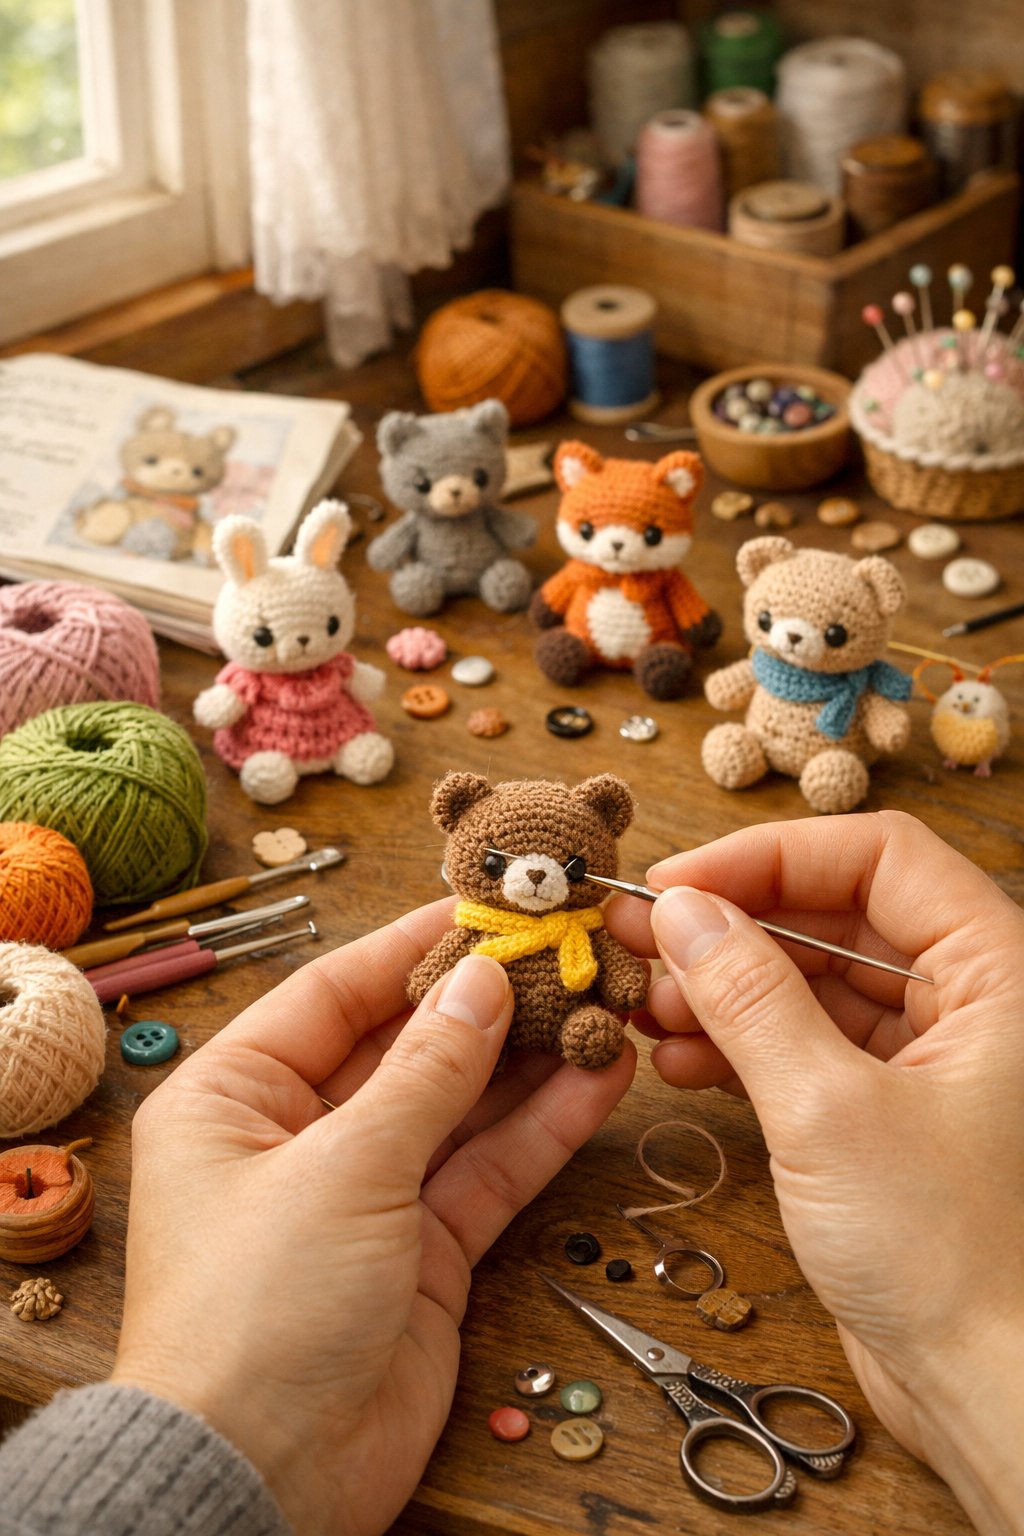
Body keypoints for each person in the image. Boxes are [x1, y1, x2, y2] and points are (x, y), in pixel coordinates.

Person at [1, 812, 1021, 1536]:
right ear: (461, 839)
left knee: (599, 1032)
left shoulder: (585, 931)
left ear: (600, 841)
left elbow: (621, 977)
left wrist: (962, 1337)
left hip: (566, 1023)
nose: (532, 875)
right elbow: (424, 977)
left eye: (557, 859)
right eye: (503, 858)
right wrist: (970, 1346)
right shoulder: (471, 936)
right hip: (497, 1039)